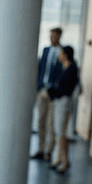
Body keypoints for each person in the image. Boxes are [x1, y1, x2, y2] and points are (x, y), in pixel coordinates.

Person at [31, 27, 63, 161]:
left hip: (53, 92)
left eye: (54, 36)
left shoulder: (62, 52)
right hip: (42, 89)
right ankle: (41, 148)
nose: (52, 38)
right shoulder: (45, 50)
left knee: (50, 123)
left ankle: (49, 150)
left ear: (59, 37)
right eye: (50, 36)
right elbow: (40, 69)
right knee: (41, 121)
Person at [46, 45, 79, 174]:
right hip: (58, 101)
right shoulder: (61, 67)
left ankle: (62, 160)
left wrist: (53, 91)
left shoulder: (72, 69)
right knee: (59, 132)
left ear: (65, 55)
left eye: (61, 54)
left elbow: (67, 89)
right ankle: (62, 159)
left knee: (61, 132)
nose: (59, 56)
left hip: (64, 103)